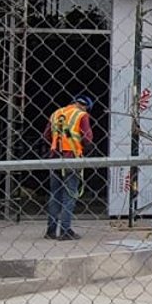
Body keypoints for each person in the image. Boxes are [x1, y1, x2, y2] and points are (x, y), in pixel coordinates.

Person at [45, 94, 93, 240]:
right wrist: (85, 148)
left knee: (55, 195)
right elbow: (87, 138)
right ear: (85, 106)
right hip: (71, 158)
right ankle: (65, 230)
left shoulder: (56, 113)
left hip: (55, 158)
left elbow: (46, 135)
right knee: (70, 195)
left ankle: (51, 231)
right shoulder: (81, 115)